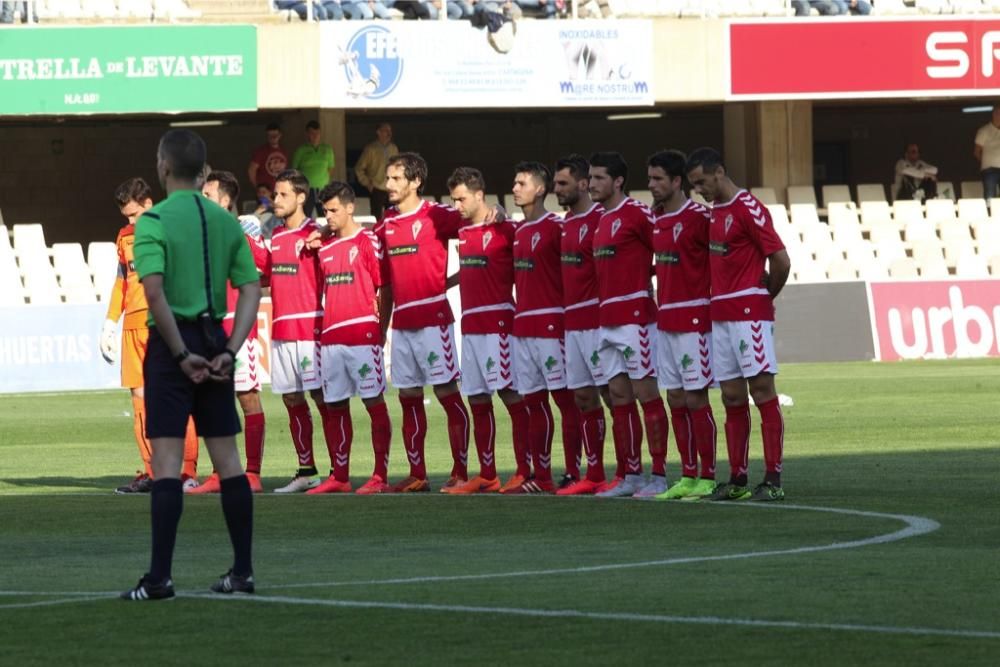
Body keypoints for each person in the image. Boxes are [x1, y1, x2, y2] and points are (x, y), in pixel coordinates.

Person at [120, 128, 261, 601]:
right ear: (203, 170)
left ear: (162, 166)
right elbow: (250, 289)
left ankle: (159, 577)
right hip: (215, 337)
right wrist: (229, 348)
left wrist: (180, 354)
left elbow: (154, 292)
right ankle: (242, 571)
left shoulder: (153, 220)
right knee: (229, 462)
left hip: (171, 345)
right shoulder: (226, 222)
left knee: (165, 465)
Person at [685, 147, 791, 502]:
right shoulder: (713, 213)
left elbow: (780, 259)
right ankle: (739, 478)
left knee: (761, 392)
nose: (699, 189)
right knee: (731, 396)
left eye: (702, 182)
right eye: (693, 185)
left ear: (719, 173)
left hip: (749, 316)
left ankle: (773, 478)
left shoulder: (749, 208)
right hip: (720, 316)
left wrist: (765, 296)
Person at [374, 152, 473, 493]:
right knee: (408, 396)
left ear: (416, 182)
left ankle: (460, 471)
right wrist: (381, 328)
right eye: (388, 178)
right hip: (402, 324)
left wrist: (461, 277)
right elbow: (385, 284)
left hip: (434, 321)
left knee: (447, 393)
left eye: (397, 178)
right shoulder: (385, 224)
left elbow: (475, 225)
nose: (389, 184)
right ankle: (418, 473)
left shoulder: (437, 215)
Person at [101, 178, 200, 494]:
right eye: (125, 218)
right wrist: (110, 322)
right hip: (133, 327)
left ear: (148, 204)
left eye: (134, 215)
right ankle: (154, 472)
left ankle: (186, 472)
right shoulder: (124, 237)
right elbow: (122, 282)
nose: (130, 223)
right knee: (140, 400)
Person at [588, 151, 669, 499]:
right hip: (605, 320)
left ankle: (660, 474)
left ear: (618, 181)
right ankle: (631, 474)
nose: (592, 184)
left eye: (599, 178)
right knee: (618, 396)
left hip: (636, 319)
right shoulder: (601, 219)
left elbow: (664, 250)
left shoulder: (636, 213)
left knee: (646, 394)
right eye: (590, 178)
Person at [444, 166, 529, 494]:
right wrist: (443, 284)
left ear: (480, 195)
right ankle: (488, 473)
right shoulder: (462, 230)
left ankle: (523, 470)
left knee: (511, 396)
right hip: (471, 326)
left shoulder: (506, 228)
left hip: (498, 325)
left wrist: (503, 212)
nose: (457, 206)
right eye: (453, 200)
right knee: (478, 399)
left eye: (462, 199)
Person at [306, 181, 393, 494]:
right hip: (331, 338)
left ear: (350, 207)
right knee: (335, 407)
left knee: (373, 403)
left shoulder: (368, 240)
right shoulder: (324, 247)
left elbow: (384, 288)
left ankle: (379, 476)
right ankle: (340, 477)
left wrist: (380, 331)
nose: (327, 216)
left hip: (362, 335)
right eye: (324, 210)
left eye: (333, 210)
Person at [188, 171, 270, 495]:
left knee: (247, 397)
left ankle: (252, 473)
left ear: (225, 200)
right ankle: (220, 473)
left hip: (234, 331)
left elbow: (267, 268)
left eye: (207, 195)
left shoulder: (240, 235)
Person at [646, 150, 718, 502]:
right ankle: (687, 474)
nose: (652, 185)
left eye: (658, 179)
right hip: (666, 319)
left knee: (695, 396)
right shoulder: (655, 219)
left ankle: (708, 474)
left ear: (677, 182)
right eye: (650, 179)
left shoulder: (700, 218)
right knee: (674, 396)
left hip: (694, 320)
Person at [506, 161, 578, 494]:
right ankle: (542, 475)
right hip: (523, 328)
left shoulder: (557, 227)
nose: (515, 188)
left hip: (552, 326)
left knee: (565, 401)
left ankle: (574, 472)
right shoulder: (517, 230)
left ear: (540, 189)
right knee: (533, 403)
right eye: (515, 183)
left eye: (522, 183)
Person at [267, 169, 338, 493]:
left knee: (323, 398)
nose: (275, 199)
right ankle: (307, 469)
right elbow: (268, 274)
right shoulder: (277, 237)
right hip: (282, 329)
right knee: (292, 399)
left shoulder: (319, 233)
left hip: (310, 329)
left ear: (300, 197)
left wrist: (324, 232)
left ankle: (340, 470)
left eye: (282, 194)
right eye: (275, 194)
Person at [551, 154, 611, 496]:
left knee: (614, 396)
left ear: (583, 184)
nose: (558, 190)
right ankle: (595, 473)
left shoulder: (602, 220)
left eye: (563, 184)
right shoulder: (565, 224)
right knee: (584, 398)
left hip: (598, 323)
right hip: (572, 324)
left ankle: (629, 470)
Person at [292, 120, 337, 218]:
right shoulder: (301, 150)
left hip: (323, 189)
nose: (315, 136)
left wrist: (323, 181)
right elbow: (294, 171)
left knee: (325, 216)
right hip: (307, 190)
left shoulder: (327, 149)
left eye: (317, 133)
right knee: (305, 216)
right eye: (312, 133)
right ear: (307, 134)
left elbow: (331, 168)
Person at [355, 122, 398, 220]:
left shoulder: (393, 148)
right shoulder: (371, 149)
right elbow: (359, 168)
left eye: (390, 131)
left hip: (391, 188)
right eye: (385, 131)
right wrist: (367, 184)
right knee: (376, 218)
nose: (388, 133)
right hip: (377, 188)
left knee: (392, 217)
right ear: (378, 132)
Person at [248, 123, 289, 197]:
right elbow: (251, 170)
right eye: (270, 136)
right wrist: (258, 187)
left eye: (275, 135)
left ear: (280, 135)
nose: (273, 138)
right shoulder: (260, 152)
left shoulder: (283, 151)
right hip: (264, 193)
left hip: (279, 192)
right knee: (265, 208)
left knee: (278, 208)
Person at [974, 105, 1000, 200]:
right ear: (993, 114)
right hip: (990, 170)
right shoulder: (984, 130)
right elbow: (977, 151)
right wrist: (986, 163)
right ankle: (989, 213)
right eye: (998, 113)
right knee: (990, 196)